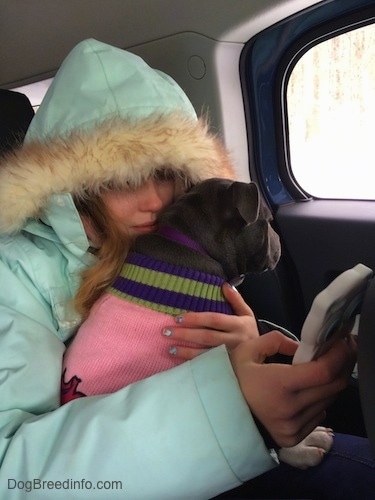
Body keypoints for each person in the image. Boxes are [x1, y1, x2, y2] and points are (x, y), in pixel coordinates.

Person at [0, 38, 370, 500]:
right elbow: (13, 474)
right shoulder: (14, 277)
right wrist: (231, 408)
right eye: (121, 181)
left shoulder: (179, 245)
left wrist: (237, 359)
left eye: (166, 172)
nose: (155, 200)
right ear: (75, 190)